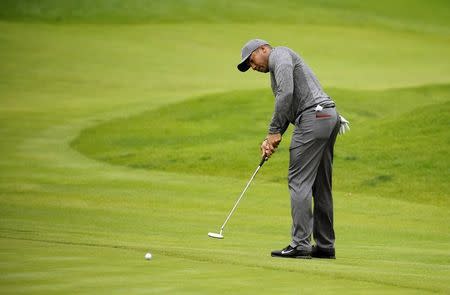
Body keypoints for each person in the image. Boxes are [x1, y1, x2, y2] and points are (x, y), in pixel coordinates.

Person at [237, 39, 349, 259]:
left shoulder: (280, 56)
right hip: (327, 116)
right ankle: (325, 246)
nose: (253, 66)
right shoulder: (278, 67)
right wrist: (271, 138)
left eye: (252, 60)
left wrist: (273, 130)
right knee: (320, 184)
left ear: (263, 49)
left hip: (313, 117)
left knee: (299, 182)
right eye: (249, 66)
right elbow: (288, 107)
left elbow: (286, 94)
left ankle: (300, 244)